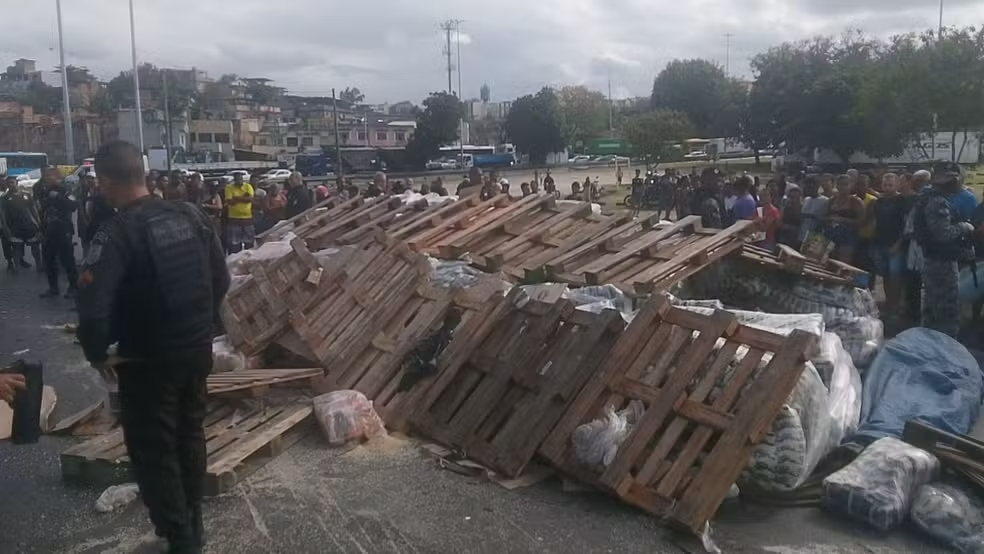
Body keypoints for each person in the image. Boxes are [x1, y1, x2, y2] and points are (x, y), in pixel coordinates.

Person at [77, 141, 230, 554]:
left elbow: (93, 309)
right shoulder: (191, 214)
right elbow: (221, 278)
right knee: (189, 434)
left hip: (147, 360)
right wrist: (201, 325)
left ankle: (180, 538)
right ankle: (192, 524)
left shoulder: (116, 232)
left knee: (154, 449)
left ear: (104, 182)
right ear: (143, 173)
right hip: (196, 350)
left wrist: (97, 353)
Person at [913, 162, 975, 337]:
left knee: (932, 305)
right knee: (946, 308)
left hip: (934, 258)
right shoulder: (937, 201)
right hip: (942, 262)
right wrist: (964, 227)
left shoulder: (928, 196)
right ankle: (945, 342)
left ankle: (930, 340)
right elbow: (943, 234)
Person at [37, 166, 80, 299]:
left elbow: (74, 205)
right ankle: (53, 288)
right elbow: (43, 211)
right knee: (49, 259)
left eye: (50, 176)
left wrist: (59, 197)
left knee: (67, 259)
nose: (48, 178)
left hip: (63, 229)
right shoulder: (45, 191)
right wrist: (41, 229)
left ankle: (74, 287)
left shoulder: (65, 190)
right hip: (49, 230)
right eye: (46, 176)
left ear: (57, 177)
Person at [872, 172, 908, 317]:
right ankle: (889, 302)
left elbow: (906, 226)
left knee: (895, 275)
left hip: (896, 243)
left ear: (897, 185)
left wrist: (898, 244)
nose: (887, 188)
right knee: (885, 275)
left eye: (890, 185)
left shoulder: (902, 201)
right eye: (885, 185)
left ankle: (896, 304)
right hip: (880, 242)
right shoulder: (879, 201)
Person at [2, 176, 42, 270]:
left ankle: (39, 265)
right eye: (8, 183)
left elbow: (33, 209)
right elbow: (2, 213)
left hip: (29, 226)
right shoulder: (4, 198)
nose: (10, 185)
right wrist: (5, 226)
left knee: (35, 246)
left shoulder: (26, 195)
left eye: (12, 182)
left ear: (16, 183)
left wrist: (38, 222)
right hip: (15, 228)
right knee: (17, 248)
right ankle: (16, 268)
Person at [824, 175, 865, 263]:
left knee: (842, 264)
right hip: (830, 235)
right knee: (827, 262)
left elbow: (862, 221)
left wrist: (841, 219)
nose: (842, 187)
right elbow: (824, 217)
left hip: (848, 237)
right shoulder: (831, 200)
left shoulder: (855, 201)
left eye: (845, 184)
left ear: (851, 185)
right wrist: (829, 219)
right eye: (840, 184)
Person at [223, 172, 255, 253]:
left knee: (249, 244)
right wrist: (244, 197)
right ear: (234, 180)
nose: (239, 180)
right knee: (234, 245)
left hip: (247, 219)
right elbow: (230, 201)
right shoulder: (229, 187)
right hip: (234, 219)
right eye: (237, 179)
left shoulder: (248, 186)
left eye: (241, 179)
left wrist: (236, 198)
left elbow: (250, 199)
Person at [799, 174, 832, 244]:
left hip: (815, 235)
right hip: (802, 234)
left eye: (811, 187)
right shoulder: (806, 199)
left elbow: (826, 219)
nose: (809, 190)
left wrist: (812, 216)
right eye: (807, 187)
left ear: (817, 187)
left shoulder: (825, 201)